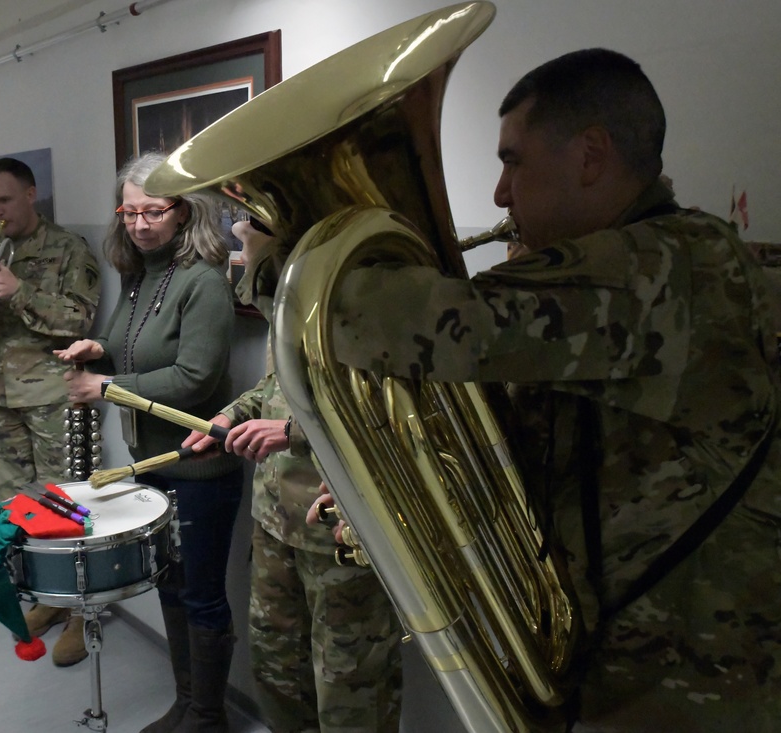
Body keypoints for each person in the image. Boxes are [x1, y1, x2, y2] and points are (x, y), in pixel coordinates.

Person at [326, 48, 781, 731]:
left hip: (691, 684)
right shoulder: (607, 284)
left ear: (590, 155)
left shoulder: (670, 266)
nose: (500, 195)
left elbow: (412, 324)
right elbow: (525, 449)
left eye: (512, 161)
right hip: (612, 661)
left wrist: (295, 260)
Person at [184, 219, 403, 733]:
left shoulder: (370, 304)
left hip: (341, 532)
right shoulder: (292, 310)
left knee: (352, 691)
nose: (242, 278)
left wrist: (292, 431)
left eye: (249, 256)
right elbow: (274, 387)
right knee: (278, 674)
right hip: (275, 522)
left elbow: (396, 414)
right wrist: (232, 415)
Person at [58, 151, 244, 729]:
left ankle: (208, 716)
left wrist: (107, 384)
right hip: (152, 465)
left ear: (184, 211)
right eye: (130, 212)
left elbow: (195, 379)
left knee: (201, 596)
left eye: (153, 212)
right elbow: (124, 345)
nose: (139, 224)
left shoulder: (204, 281)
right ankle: (187, 705)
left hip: (200, 471)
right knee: (171, 588)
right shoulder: (140, 277)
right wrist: (97, 351)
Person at [0, 157, 101, 665]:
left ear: (31, 194)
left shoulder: (68, 249)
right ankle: (50, 599)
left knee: (67, 509)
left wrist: (19, 292)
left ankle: (83, 611)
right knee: (16, 507)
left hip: (54, 398)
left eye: (6, 200)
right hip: (2, 397)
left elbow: (79, 319)